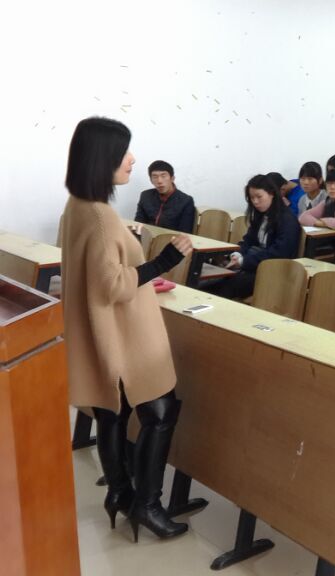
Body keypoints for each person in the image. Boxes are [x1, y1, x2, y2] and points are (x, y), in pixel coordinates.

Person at [62, 117, 194, 541]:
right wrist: (164, 261)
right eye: (124, 153)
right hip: (124, 335)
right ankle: (147, 506)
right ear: (102, 159)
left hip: (102, 334)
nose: (132, 159)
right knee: (160, 413)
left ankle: (120, 493)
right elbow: (115, 285)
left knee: (112, 413)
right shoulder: (100, 215)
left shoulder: (77, 205)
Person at [205, 174, 299, 299]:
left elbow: (279, 254)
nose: (255, 201)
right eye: (252, 197)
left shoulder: (287, 220)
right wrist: (237, 254)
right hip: (255, 265)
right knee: (208, 279)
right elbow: (248, 241)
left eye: (259, 197)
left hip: (272, 271)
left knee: (223, 286)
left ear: (272, 194)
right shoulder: (260, 215)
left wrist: (243, 261)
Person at [134, 160, 196, 233]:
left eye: (163, 176)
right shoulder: (145, 196)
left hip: (170, 238)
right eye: (155, 177)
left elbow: (185, 232)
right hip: (146, 237)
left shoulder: (186, 201)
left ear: (172, 178)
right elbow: (138, 223)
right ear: (151, 180)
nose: (159, 181)